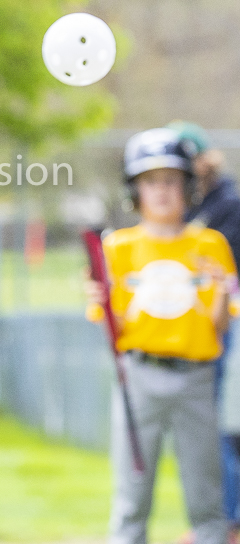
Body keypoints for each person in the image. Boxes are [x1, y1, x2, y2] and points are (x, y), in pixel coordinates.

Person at [86, 127, 236, 544]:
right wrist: (99, 295)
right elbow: (108, 324)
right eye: (151, 181)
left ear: (188, 186)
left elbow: (220, 325)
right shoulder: (118, 248)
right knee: (132, 498)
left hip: (195, 378)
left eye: (171, 180)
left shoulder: (210, 244)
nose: (162, 191)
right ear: (134, 190)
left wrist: (223, 294)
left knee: (207, 500)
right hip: (139, 376)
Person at [170, 121, 240, 541]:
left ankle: (229, 522)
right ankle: (212, 522)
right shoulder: (186, 208)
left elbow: (220, 276)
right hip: (187, 333)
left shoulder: (227, 205)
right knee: (197, 430)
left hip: (224, 330)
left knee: (219, 426)